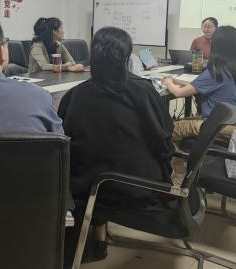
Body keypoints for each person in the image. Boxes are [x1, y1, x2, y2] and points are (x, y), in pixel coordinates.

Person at [59, 27, 174, 262]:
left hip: (87, 188)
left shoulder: (75, 95)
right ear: (126, 57)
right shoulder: (143, 91)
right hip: (139, 188)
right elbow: (163, 139)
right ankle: (99, 237)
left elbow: (65, 144)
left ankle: (96, 236)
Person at [163, 25, 236, 140]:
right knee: (182, 121)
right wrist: (176, 81)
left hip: (216, 126)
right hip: (234, 122)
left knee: (166, 130)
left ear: (216, 45)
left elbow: (179, 93)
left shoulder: (216, 71)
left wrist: (168, 82)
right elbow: (199, 86)